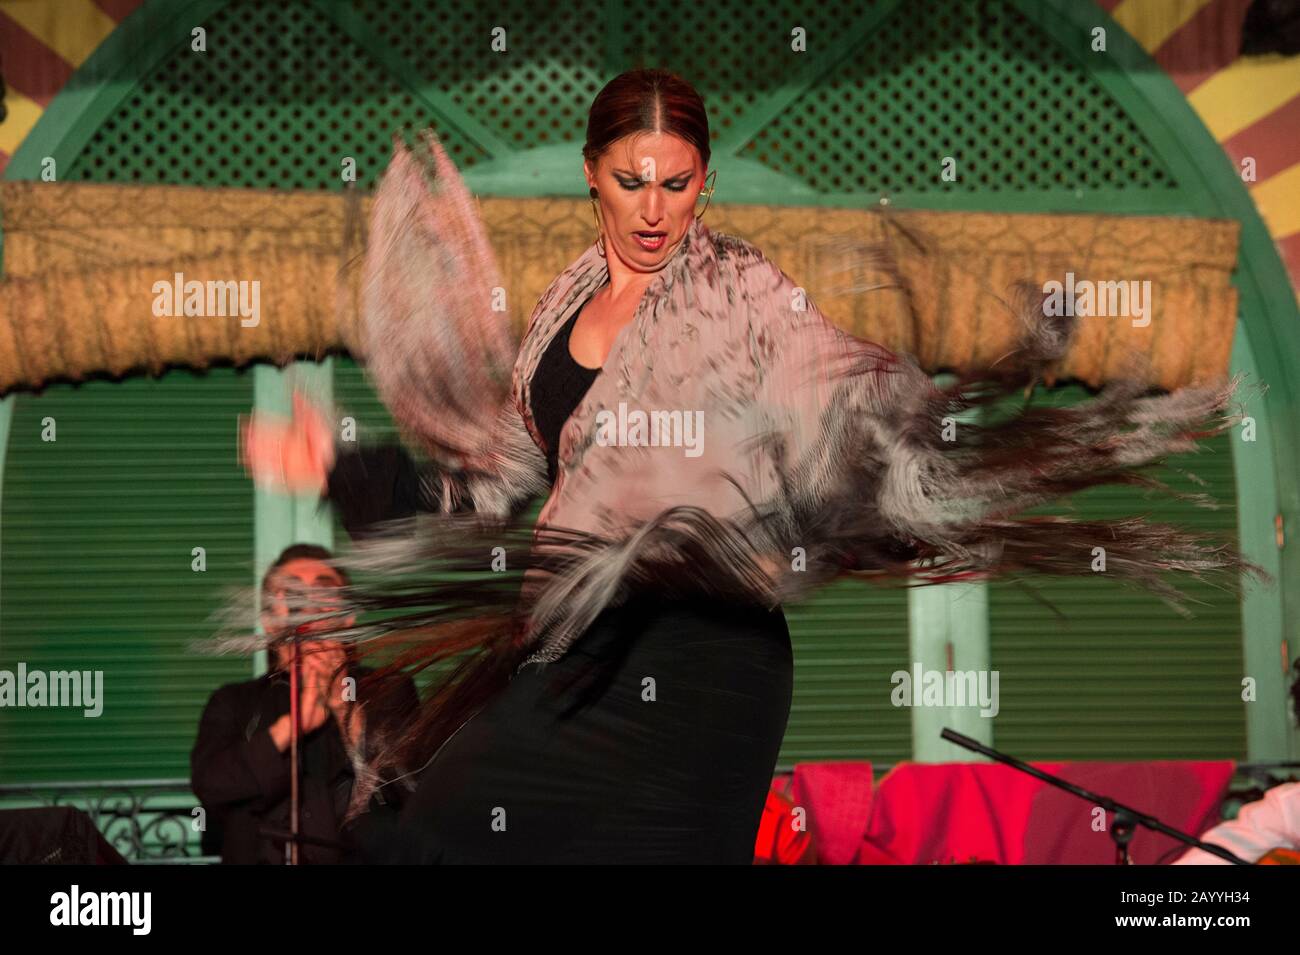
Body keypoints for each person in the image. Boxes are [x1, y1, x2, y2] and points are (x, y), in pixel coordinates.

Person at [238, 69, 1257, 863]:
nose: (652, 208)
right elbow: (489, 493)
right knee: (436, 824)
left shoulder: (747, 293)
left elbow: (845, 402)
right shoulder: (558, 309)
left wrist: (972, 395)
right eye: (630, 180)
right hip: (576, 647)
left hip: (705, 655)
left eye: (676, 183)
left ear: (703, 182)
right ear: (591, 172)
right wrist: (340, 460)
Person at [191, 544, 417, 864]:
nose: (306, 603)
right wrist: (289, 729)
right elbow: (212, 787)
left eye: (323, 591)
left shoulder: (391, 689)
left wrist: (343, 708)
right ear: (269, 620)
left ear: (349, 615)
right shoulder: (234, 702)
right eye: (292, 592)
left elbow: (409, 791)